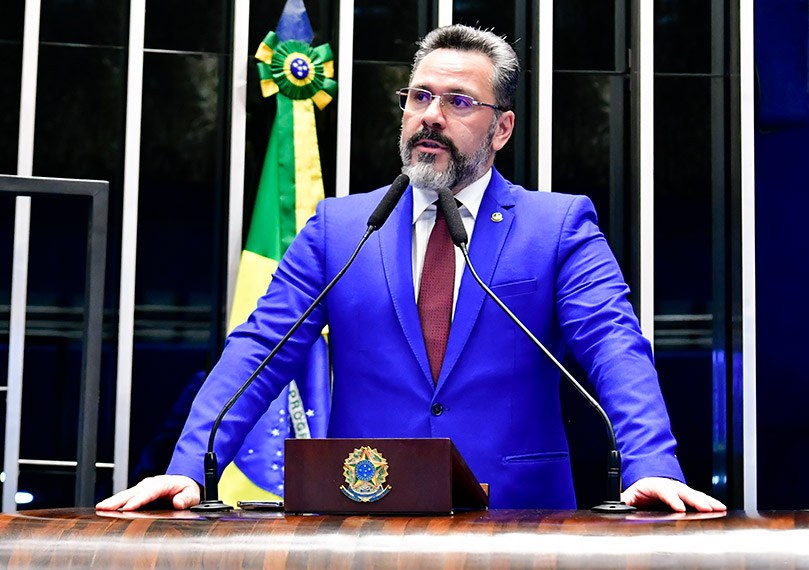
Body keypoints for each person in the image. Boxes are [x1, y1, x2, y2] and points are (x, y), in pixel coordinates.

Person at [98, 25, 725, 513]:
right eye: (420, 96)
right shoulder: (341, 228)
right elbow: (260, 350)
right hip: (364, 513)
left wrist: (651, 464)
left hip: (521, 522)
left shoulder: (556, 226)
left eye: (459, 101)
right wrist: (191, 464)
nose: (431, 115)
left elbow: (614, 346)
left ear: (502, 128)